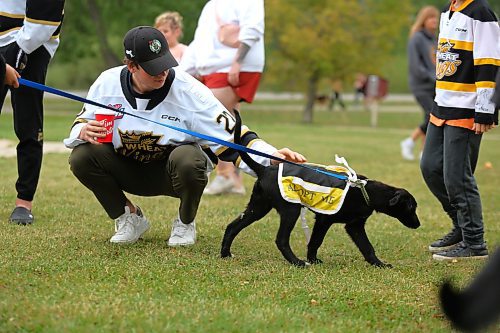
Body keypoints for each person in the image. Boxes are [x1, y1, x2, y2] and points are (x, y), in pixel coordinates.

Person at [63, 26, 306, 247]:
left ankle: (185, 222)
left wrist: (272, 158)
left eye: (165, 64)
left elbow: (235, 138)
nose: (162, 73)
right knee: (81, 156)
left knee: (189, 156)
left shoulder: (190, 92)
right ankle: (128, 218)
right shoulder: (106, 84)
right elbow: (82, 121)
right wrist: (82, 131)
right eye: (153, 68)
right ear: (132, 66)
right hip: (126, 168)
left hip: (173, 173)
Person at [421, 0, 499, 260]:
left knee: (457, 177)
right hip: (442, 104)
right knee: (430, 167)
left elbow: (491, 62)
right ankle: (461, 225)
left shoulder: (481, 12)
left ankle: (474, 242)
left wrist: (486, 109)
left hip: (467, 109)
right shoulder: (447, 10)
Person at [180, 0, 265, 196]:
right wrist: (182, 73)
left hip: (231, 69)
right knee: (227, 124)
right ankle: (233, 181)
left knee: (208, 119)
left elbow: (252, 29)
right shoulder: (212, 5)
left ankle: (225, 175)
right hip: (212, 69)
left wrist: (237, 62)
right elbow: (201, 40)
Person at [0, 1, 65, 225]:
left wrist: (20, 49)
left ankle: (23, 202)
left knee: (28, 125)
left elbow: (47, 12)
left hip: (34, 42)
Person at [400, 6, 439, 161]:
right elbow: (416, 66)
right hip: (421, 86)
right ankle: (409, 142)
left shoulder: (434, 39)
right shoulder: (417, 38)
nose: (434, 21)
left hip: (435, 85)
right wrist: (433, 77)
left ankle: (424, 153)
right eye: (431, 17)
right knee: (433, 115)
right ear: (424, 20)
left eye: (436, 17)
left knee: (430, 117)